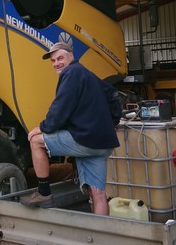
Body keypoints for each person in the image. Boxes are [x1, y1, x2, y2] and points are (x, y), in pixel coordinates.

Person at [21, 41, 121, 215]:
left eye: (60, 58)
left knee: (35, 141)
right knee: (97, 193)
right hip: (103, 144)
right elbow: (112, 94)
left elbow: (61, 108)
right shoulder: (87, 74)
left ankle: (44, 193)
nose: (56, 63)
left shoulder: (71, 72)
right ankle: (102, 236)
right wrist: (113, 121)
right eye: (53, 61)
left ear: (71, 56)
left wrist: (43, 127)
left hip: (86, 140)